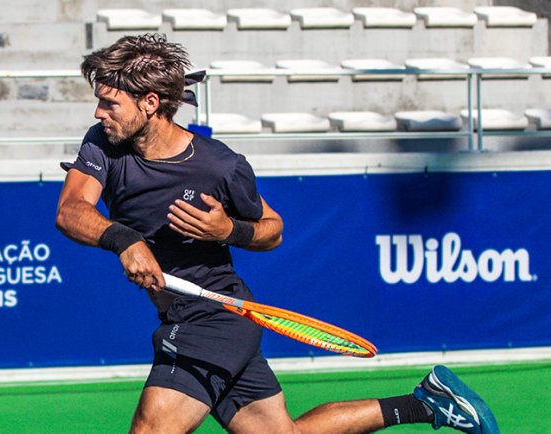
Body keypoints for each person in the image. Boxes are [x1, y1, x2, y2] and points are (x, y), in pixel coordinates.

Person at [55, 33, 499, 434]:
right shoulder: (104, 142)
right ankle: (426, 404)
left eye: (110, 103)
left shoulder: (220, 165)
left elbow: (273, 231)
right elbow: (71, 210)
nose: (99, 112)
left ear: (150, 102)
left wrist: (229, 229)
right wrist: (125, 240)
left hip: (212, 318)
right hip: (188, 314)